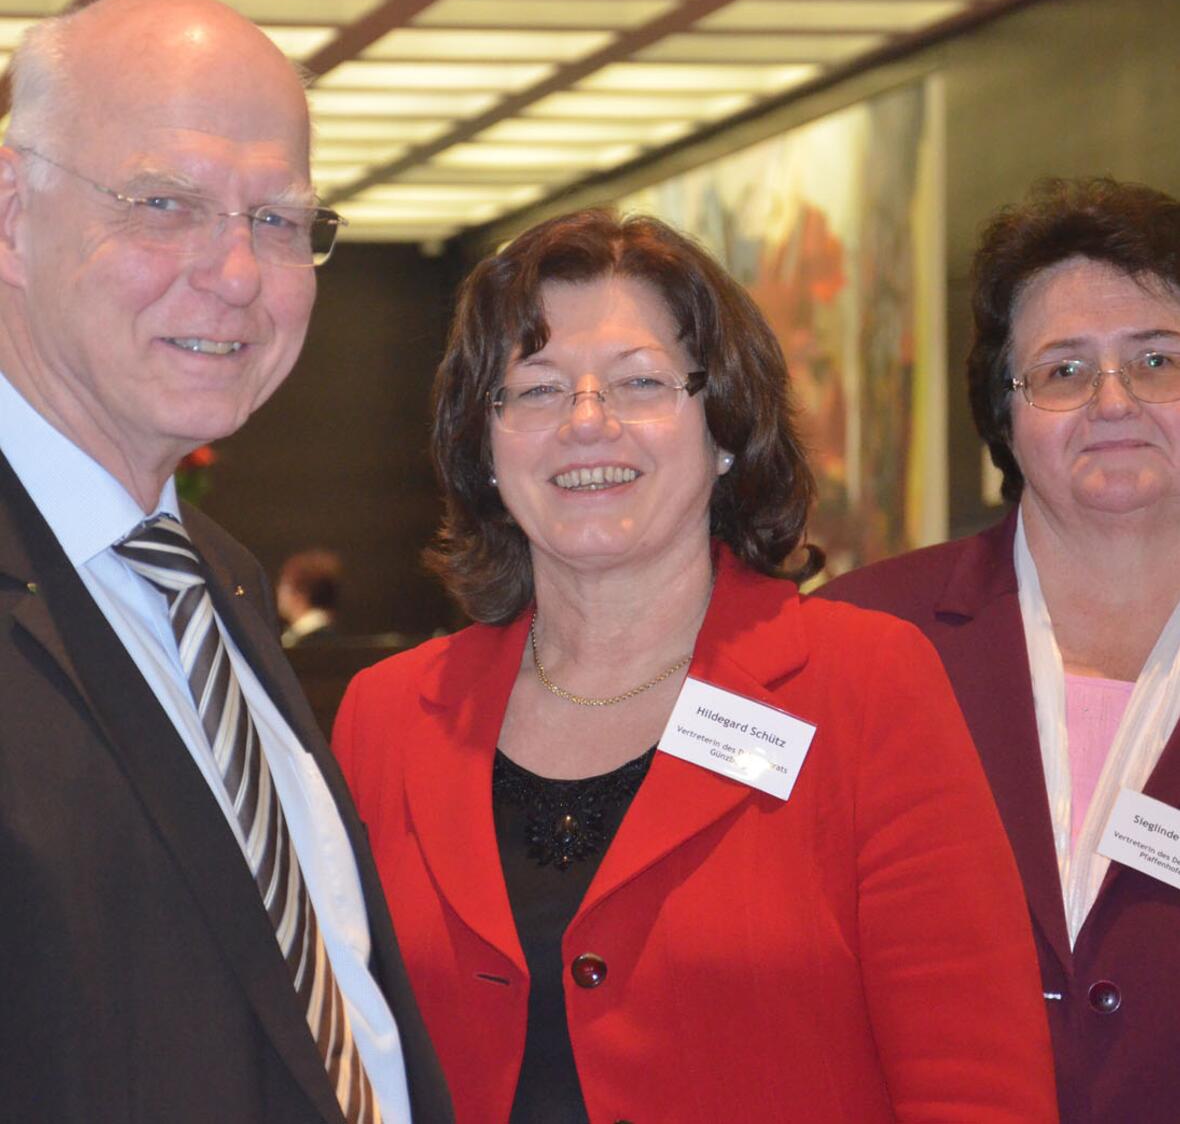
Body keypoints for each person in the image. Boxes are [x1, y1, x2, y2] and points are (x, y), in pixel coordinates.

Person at [333, 208, 1058, 1123]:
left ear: (722, 430)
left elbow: (976, 1083)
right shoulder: (388, 717)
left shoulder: (867, 686)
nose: (587, 425)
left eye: (638, 384)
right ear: (485, 443)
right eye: (539, 389)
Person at [0, 0, 451, 1124]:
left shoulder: (215, 579)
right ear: (9, 215)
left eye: (280, 221)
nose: (238, 274)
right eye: (165, 203)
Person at [821, 176, 1180, 1124]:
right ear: (1003, 411)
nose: (1114, 400)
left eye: (1156, 359)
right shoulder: (861, 639)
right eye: (1063, 370)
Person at [279, 548, 345, 647]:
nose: (279, 591)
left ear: (300, 592)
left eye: (284, 585)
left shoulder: (301, 645)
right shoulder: (333, 639)